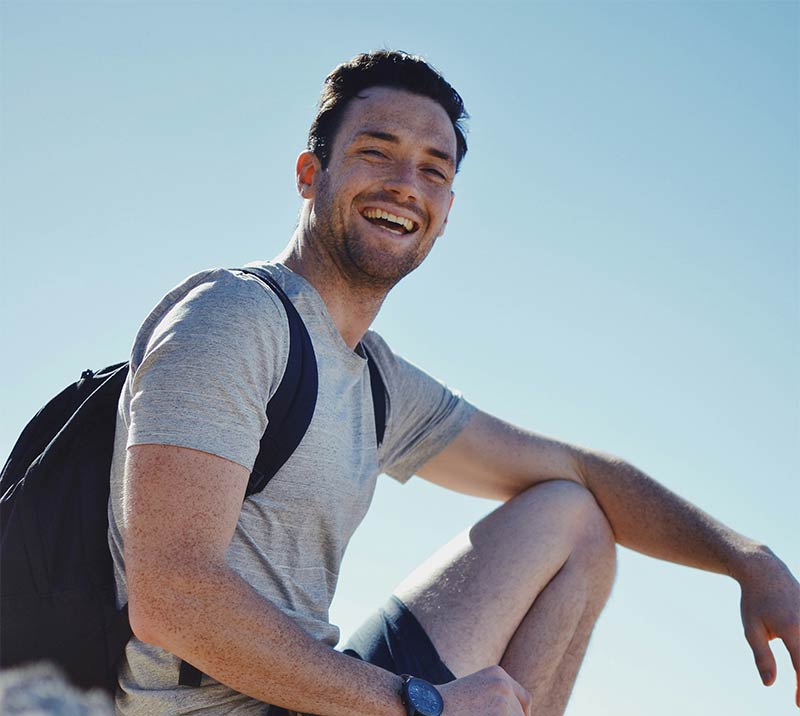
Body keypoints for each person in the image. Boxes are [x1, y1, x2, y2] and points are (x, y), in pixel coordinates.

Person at [109, 50, 800, 716]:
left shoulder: (375, 381)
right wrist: (426, 704)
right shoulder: (235, 319)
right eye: (376, 152)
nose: (406, 184)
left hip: (313, 698)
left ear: (445, 212)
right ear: (309, 174)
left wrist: (747, 560)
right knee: (568, 516)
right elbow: (170, 595)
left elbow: (580, 472)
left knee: (572, 516)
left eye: (433, 169)